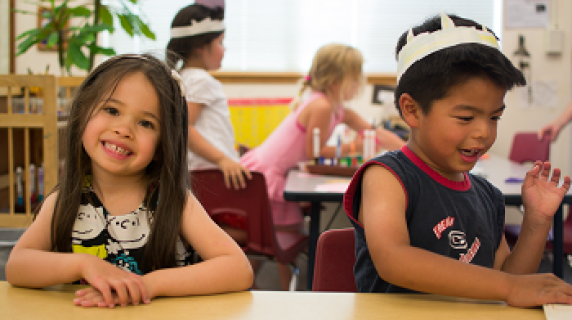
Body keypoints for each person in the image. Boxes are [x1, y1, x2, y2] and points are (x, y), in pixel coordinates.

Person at [343, 13, 572, 307]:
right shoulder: (387, 177)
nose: (484, 131)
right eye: (466, 117)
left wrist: (537, 222)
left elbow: (510, 279)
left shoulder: (487, 196)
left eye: (495, 117)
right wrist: (509, 287)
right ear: (412, 110)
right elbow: (393, 259)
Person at [5, 54, 253, 308]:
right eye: (112, 110)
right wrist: (85, 264)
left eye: (146, 123)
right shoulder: (65, 201)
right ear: (82, 115)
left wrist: (148, 285)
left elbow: (238, 269)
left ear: (161, 145)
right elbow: (17, 266)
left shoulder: (174, 202)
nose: (123, 130)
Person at [240, 43, 405, 290]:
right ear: (338, 80)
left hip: (274, 173)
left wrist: (407, 149)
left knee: (274, 242)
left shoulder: (336, 108)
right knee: (281, 239)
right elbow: (313, 152)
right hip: (267, 177)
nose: (358, 83)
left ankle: (262, 286)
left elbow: (373, 132)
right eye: (355, 77)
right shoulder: (322, 106)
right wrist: (353, 148)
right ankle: (276, 291)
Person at [167, 3, 251, 244]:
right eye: (221, 42)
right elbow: (184, 128)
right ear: (202, 47)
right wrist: (222, 159)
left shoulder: (182, 77)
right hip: (211, 177)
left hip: (201, 175)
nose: (224, 49)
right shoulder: (202, 81)